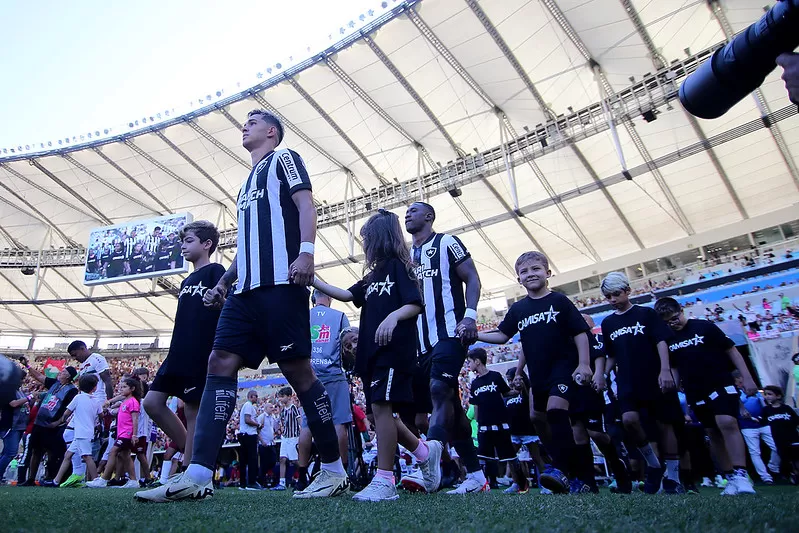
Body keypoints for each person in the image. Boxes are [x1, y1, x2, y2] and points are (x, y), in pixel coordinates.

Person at [137, 109, 347, 503]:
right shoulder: (246, 184)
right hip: (244, 292)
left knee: (299, 373)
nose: (244, 126)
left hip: (281, 284)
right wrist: (223, 282)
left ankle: (334, 470)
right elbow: (251, 243)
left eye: (253, 121)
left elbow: (306, 205)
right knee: (218, 362)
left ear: (271, 131)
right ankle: (198, 473)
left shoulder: (284, 159)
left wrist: (306, 253)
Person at [312, 208, 428, 502]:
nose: (363, 244)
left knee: (381, 409)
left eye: (366, 238)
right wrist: (312, 280)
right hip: (371, 354)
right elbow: (349, 295)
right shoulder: (373, 275)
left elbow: (415, 303)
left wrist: (393, 318)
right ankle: (427, 453)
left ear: (379, 238)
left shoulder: (400, 267)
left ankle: (385, 479)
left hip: (393, 351)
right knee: (381, 415)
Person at [478, 251, 593, 494]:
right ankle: (577, 476)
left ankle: (559, 468)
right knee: (538, 419)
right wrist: (475, 335)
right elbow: (503, 335)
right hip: (538, 374)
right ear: (518, 279)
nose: (530, 274)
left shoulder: (560, 301)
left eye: (536, 269)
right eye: (524, 272)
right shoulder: (519, 309)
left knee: (555, 410)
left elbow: (580, 332)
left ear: (548, 273)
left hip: (563, 368)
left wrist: (584, 364)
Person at [403, 201, 483, 494]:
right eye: (406, 212)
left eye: (414, 210)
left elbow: (472, 277)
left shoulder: (447, 242)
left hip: (450, 333)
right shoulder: (405, 257)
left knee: (439, 391)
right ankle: (475, 476)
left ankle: (430, 466)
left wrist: (470, 316)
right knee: (451, 411)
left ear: (429, 216)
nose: (408, 214)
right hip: (418, 344)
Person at [141, 220, 224, 473]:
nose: (183, 247)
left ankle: (189, 468)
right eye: (182, 242)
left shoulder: (216, 270)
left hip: (200, 349)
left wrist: (220, 300)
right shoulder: (187, 281)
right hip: (177, 350)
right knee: (152, 403)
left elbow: (226, 305)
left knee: (192, 409)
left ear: (207, 244)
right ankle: (191, 447)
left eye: (189, 241)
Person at [654, 297, 757, 495]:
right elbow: (674, 368)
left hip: (720, 382)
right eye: (667, 322)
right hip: (694, 389)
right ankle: (730, 477)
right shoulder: (667, 340)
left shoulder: (704, 327)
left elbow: (732, 351)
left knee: (727, 422)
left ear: (681, 311)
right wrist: (670, 388)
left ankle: (742, 474)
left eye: (675, 318)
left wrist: (747, 377)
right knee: (713, 432)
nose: (673, 323)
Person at [599, 271, 684, 494]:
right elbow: (611, 355)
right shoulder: (608, 323)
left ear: (628, 290)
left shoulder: (646, 314)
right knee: (629, 421)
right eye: (608, 296)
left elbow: (661, 341)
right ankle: (655, 466)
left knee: (665, 425)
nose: (613, 300)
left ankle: (673, 477)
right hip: (626, 381)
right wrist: (603, 374)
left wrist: (665, 370)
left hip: (653, 376)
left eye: (616, 294)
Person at [296, 289, 352, 490]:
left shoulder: (303, 314)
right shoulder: (339, 316)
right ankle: (342, 472)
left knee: (307, 424)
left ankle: (301, 476)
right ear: (329, 297)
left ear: (313, 299)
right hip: (334, 375)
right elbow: (349, 344)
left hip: (309, 376)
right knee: (339, 423)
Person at [466, 348, 528, 493]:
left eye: (470, 362)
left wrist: (519, 389)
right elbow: (475, 406)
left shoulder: (495, 376)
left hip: (501, 423)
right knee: (481, 457)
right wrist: (478, 422)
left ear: (477, 361)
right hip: (484, 426)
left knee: (510, 457)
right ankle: (480, 485)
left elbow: (507, 392)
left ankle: (521, 484)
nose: (468, 365)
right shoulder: (474, 383)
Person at [23, 365, 79, 484]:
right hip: (39, 423)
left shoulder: (72, 390)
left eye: (63, 372)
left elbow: (68, 409)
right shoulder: (54, 383)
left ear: (68, 376)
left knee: (51, 452)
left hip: (52, 425)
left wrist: (57, 423)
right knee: (35, 450)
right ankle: (31, 478)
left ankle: (49, 477)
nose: (60, 373)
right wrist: (28, 366)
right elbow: (39, 376)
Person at [45, 375, 102, 487]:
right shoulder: (96, 400)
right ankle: (56, 481)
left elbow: (67, 413)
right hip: (85, 432)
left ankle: (96, 479)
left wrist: (61, 421)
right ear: (94, 388)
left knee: (87, 456)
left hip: (81, 432)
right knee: (68, 455)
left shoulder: (78, 398)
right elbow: (101, 415)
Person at [87, 377, 141, 488]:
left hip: (127, 433)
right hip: (121, 433)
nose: (121, 389)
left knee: (113, 452)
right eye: (120, 387)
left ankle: (104, 479)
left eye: (124, 387)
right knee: (125, 455)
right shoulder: (125, 401)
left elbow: (135, 420)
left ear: (132, 389)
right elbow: (119, 399)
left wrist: (134, 434)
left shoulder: (133, 402)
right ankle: (133, 481)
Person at [68, 340, 114, 461]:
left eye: (75, 354)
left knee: (91, 436)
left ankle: (91, 468)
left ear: (83, 348)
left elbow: (107, 380)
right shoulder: (83, 364)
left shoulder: (97, 359)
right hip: (87, 402)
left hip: (98, 401)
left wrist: (109, 402)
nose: (74, 358)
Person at [735, 371, 780, 484]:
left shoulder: (757, 392)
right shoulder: (736, 393)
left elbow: (766, 404)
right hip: (747, 426)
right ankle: (765, 476)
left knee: (776, 446)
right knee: (755, 452)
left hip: (763, 423)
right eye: (739, 381)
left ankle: (773, 466)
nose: (741, 383)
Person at [762, 385, 799, 484]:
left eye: (770, 394)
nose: (767, 396)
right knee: (786, 458)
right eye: (765, 394)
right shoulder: (766, 410)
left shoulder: (786, 408)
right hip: (778, 439)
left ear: (778, 396)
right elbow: (763, 423)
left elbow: (796, 420)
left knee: (796, 457)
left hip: (792, 437)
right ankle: (792, 474)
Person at [0, 382, 30, 484]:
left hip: (20, 426)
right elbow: (13, 403)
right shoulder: (8, 390)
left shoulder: (19, 391)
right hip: (10, 425)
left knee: (6, 452)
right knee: (11, 452)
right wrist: (29, 397)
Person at [272, 387, 301, 491]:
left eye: (282, 396)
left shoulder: (293, 408)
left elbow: (299, 420)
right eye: (279, 397)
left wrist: (302, 434)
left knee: (294, 460)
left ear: (289, 397)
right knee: (282, 459)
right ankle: (282, 483)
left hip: (293, 437)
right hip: (285, 437)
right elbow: (283, 423)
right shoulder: (283, 410)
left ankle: (305, 475)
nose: (280, 399)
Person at [238, 390, 262, 490]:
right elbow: (247, 420)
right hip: (249, 435)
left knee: (243, 460)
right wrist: (258, 424)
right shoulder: (248, 405)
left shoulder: (247, 406)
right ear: (251, 396)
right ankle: (251, 482)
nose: (257, 398)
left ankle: (243, 483)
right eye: (256, 396)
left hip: (244, 435)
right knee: (252, 459)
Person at [257, 403, 279, 487]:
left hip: (271, 443)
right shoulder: (261, 417)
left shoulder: (272, 417)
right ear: (266, 408)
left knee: (273, 461)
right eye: (270, 407)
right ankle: (262, 482)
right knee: (263, 463)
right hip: (264, 444)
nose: (272, 408)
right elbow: (257, 430)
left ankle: (267, 478)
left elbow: (274, 429)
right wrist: (262, 441)